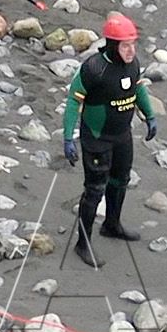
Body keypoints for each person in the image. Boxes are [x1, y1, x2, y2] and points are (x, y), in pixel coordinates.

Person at [62, 13, 159, 267]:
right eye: (125, 45)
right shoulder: (95, 68)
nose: (131, 50)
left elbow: (137, 87)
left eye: (133, 44)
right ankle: (82, 244)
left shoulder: (133, 63)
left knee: (120, 181)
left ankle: (112, 224)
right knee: (94, 190)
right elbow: (74, 99)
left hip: (122, 136)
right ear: (113, 45)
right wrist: (68, 137)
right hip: (96, 139)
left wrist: (149, 115)